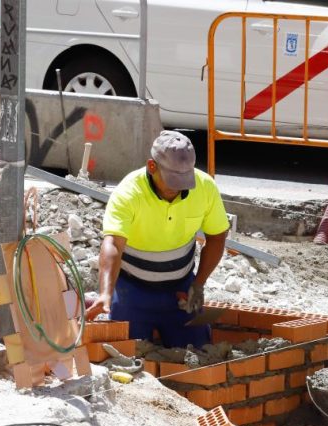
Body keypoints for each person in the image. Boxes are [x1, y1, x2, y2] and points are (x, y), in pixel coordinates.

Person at [84, 130, 230, 348]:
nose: (177, 189)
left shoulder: (205, 187)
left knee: (199, 353)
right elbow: (113, 243)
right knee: (126, 352)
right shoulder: (129, 192)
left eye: (184, 181)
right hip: (131, 292)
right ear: (152, 167)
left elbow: (217, 236)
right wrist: (105, 293)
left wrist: (198, 285)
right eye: (172, 181)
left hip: (180, 290)